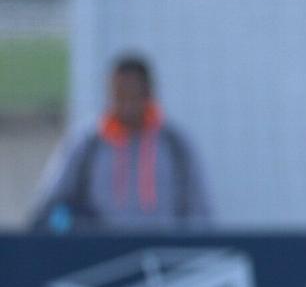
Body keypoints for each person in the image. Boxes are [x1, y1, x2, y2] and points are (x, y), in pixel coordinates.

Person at [28, 53, 211, 231]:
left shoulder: (174, 144)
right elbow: (50, 206)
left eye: (134, 95)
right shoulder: (88, 144)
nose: (127, 104)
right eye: (120, 95)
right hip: (100, 254)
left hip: (161, 253)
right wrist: (70, 227)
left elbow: (198, 212)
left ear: (148, 94)